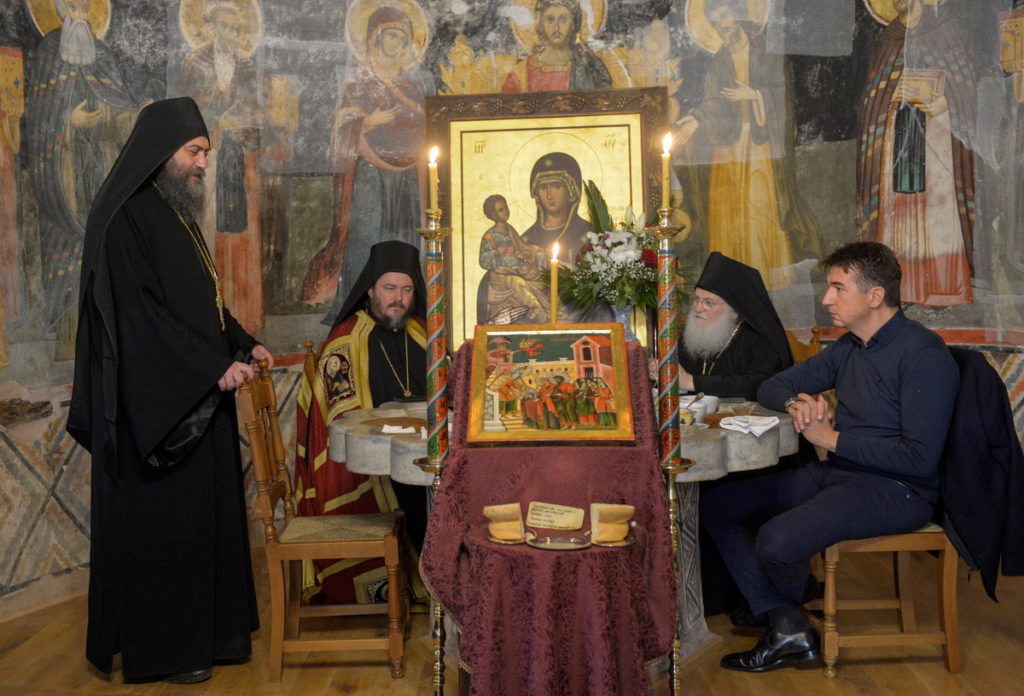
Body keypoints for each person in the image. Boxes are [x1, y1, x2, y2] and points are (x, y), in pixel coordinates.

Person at [67, 97, 274, 684]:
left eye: (205, 152)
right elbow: (140, 318)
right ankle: (170, 651)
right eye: (194, 152)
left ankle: (212, 638)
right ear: (162, 152)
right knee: (169, 533)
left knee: (202, 526)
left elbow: (204, 304)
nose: (203, 163)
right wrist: (211, 367)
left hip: (197, 397)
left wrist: (243, 344)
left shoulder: (175, 213)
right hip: (155, 411)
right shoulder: (123, 218)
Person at [701, 241, 959, 672]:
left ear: (874, 296)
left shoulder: (923, 354)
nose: (826, 299)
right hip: (843, 472)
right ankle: (786, 623)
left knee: (777, 540)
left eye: (838, 288)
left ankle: (784, 622)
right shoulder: (851, 346)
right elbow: (773, 385)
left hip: (899, 489)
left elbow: (918, 459)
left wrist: (831, 438)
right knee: (719, 505)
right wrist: (795, 404)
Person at [295, 240, 428, 604]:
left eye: (406, 289)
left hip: (424, 454)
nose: (398, 299)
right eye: (389, 288)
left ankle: (445, 581)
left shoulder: (422, 332)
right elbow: (343, 423)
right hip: (374, 471)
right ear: (370, 290)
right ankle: (415, 581)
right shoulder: (345, 342)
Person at [673, 0, 818, 290]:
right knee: (727, 214)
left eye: (724, 16)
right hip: (727, 148)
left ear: (739, 14)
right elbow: (715, 101)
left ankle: (767, 278)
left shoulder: (767, 50)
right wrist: (696, 119)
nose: (721, 26)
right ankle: (730, 285)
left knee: (760, 209)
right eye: (715, 21)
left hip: (760, 146)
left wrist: (754, 95)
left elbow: (783, 95)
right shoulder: (721, 59)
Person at [302, 6, 432, 314]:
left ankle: (407, 305)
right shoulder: (359, 80)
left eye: (402, 38)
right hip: (370, 171)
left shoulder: (409, 84)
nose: (397, 43)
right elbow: (341, 127)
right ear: (376, 37)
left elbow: (424, 125)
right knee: (368, 234)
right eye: (392, 35)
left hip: (407, 174)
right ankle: (359, 303)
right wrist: (371, 121)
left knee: (403, 237)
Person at [25, 0, 136, 353]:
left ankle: (114, 339)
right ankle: (70, 340)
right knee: (69, 251)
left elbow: (119, 109)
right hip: (65, 174)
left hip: (101, 165)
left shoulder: (102, 54)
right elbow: (38, 115)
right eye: (72, 5)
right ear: (60, 9)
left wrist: (123, 117)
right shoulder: (47, 51)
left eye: (85, 6)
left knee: (108, 248)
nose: (80, 13)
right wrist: (68, 123)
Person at [857, 0, 976, 306]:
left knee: (937, 211)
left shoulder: (947, 31)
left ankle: (943, 288)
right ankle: (901, 289)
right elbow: (876, 95)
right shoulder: (890, 37)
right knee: (899, 212)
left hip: (937, 136)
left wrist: (942, 105)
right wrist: (890, 99)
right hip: (897, 135)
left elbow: (966, 87)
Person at [680, 251, 792, 400]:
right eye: (697, 299)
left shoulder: (759, 340)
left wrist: (692, 382)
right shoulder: (693, 336)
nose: (698, 308)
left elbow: (760, 384)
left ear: (734, 311)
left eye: (708, 303)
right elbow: (681, 377)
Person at [501, 0, 611, 93]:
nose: (556, 27)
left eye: (563, 19)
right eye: (550, 20)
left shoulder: (592, 67)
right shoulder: (521, 72)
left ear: (573, 24)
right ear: (540, 24)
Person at [476, 193, 548, 324]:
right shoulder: (489, 236)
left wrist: (535, 251)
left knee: (540, 279)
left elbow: (521, 247)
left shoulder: (509, 229)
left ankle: (546, 314)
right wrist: (497, 252)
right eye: (501, 210)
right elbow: (483, 260)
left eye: (506, 207)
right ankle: (537, 309)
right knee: (519, 283)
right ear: (493, 215)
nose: (505, 211)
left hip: (516, 268)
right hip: (501, 275)